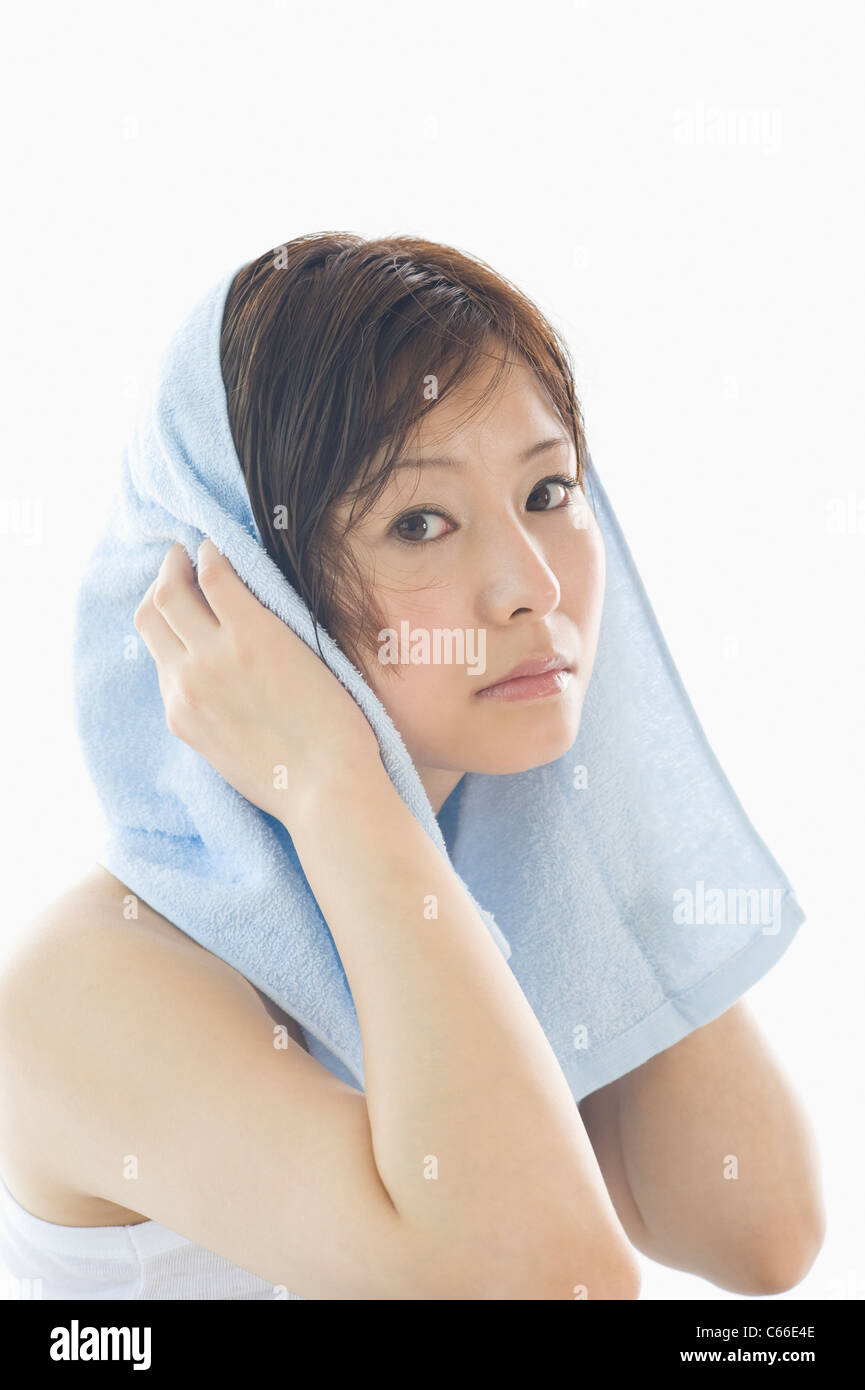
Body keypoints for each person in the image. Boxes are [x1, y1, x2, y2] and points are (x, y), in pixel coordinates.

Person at [0, 236, 825, 1300]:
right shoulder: (88, 984)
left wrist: (579, 778)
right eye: (419, 520)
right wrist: (333, 785)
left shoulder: (481, 876)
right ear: (246, 585)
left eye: (549, 491)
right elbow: (550, 1290)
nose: (532, 585)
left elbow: (760, 1230)